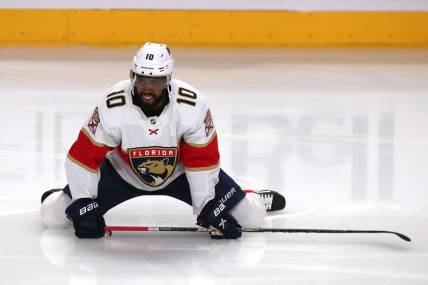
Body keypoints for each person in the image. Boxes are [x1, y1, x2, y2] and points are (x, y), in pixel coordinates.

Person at [40, 42, 286, 239]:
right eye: (141, 79)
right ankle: (59, 194)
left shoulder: (192, 105)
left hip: (181, 174)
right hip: (121, 174)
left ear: (168, 80)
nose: (147, 88)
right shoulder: (111, 103)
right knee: (54, 217)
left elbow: (202, 161)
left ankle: (251, 195)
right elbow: (83, 157)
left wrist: (207, 208)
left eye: (155, 81)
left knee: (251, 216)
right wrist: (83, 201)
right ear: (132, 76)